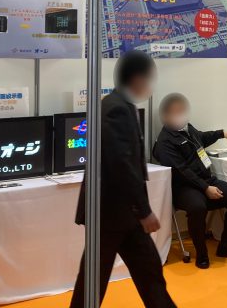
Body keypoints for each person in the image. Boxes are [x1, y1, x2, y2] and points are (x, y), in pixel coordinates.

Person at [70, 51, 176, 308]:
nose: (150, 86)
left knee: (149, 273)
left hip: (123, 214)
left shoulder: (120, 105)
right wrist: (144, 210)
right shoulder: (115, 108)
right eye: (149, 79)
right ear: (137, 78)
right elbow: (121, 165)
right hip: (108, 213)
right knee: (92, 283)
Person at [154, 93, 227, 269]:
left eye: (182, 110)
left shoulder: (187, 128)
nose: (180, 114)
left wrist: (221, 133)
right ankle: (202, 254)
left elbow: (201, 138)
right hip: (184, 188)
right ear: (166, 116)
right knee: (198, 207)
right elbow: (182, 171)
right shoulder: (164, 142)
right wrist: (206, 188)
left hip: (206, 181)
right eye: (175, 112)